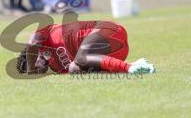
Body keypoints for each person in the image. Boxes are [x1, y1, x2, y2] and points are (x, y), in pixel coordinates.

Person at [16, 20, 155, 74]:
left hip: (110, 31)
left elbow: (32, 44)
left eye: (30, 63)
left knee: (80, 59)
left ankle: (130, 68)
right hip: (115, 52)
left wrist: (31, 72)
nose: (37, 68)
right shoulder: (58, 69)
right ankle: (133, 65)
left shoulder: (44, 34)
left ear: (32, 55)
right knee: (74, 68)